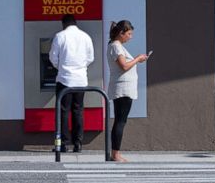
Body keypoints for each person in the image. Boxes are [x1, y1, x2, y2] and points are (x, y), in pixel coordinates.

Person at [49, 14, 95, 153]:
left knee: (63, 111)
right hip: (81, 80)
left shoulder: (60, 36)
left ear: (63, 24)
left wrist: (62, 67)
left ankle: (63, 144)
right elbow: (90, 58)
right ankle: (78, 143)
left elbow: (52, 57)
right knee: (78, 111)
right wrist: (80, 68)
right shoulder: (86, 36)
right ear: (75, 23)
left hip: (64, 79)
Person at [106, 20, 149, 162]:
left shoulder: (117, 46)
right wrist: (137, 59)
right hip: (122, 88)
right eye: (129, 34)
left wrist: (137, 60)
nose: (130, 37)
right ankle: (116, 154)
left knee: (120, 120)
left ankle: (115, 153)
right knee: (120, 121)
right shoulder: (116, 47)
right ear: (121, 33)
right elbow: (124, 66)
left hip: (123, 88)